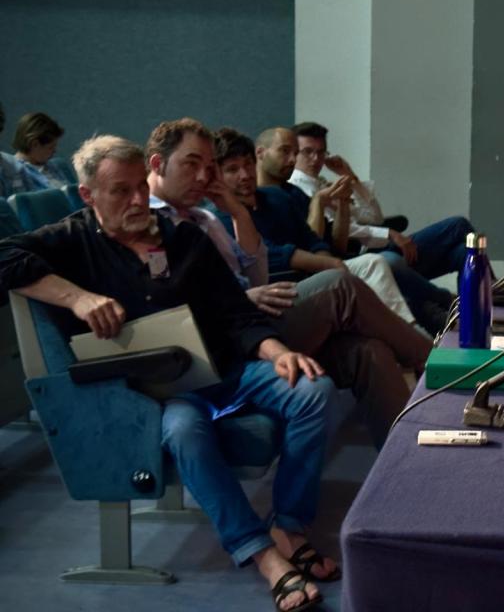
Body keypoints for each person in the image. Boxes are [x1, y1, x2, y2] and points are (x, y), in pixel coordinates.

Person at [0, 134, 338, 612]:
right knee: (183, 429)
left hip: (225, 368)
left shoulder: (183, 237)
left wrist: (278, 351)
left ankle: (289, 526)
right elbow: (4, 256)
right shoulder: (71, 240)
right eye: (121, 191)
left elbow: (236, 313)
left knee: (312, 388)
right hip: (161, 391)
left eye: (141, 186)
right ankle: (261, 554)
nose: (139, 200)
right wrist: (77, 297)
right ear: (88, 195)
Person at [146, 118, 430, 446]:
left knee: (369, 351)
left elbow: (258, 277)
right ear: (157, 164)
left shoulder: (207, 218)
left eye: (208, 168)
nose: (202, 177)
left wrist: (239, 214)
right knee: (341, 286)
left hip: (254, 317)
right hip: (231, 337)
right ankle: (433, 362)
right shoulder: (149, 224)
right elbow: (169, 301)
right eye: (192, 164)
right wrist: (240, 298)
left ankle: (406, 458)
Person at [259, 125, 470, 334]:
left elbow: (370, 219)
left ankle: (472, 313)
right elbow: (311, 243)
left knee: (462, 252)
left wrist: (348, 179)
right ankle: (439, 312)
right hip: (354, 256)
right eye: (306, 152)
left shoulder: (308, 187)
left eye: (321, 152)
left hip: (346, 256)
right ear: (260, 153)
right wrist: (386, 234)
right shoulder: (294, 189)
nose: (315, 159)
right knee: (450, 229)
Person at [211, 128, 423, 330]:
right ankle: (415, 334)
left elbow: (313, 239)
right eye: (233, 170)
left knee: (379, 270)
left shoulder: (278, 196)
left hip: (318, 270)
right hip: (282, 287)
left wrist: (327, 259)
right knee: (378, 265)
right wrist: (329, 263)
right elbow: (271, 254)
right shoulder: (219, 216)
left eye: (248, 165)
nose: (245, 175)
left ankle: (417, 331)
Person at [0, 111, 77, 196]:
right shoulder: (14, 173)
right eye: (50, 147)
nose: (55, 150)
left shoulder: (56, 166)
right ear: (35, 144)